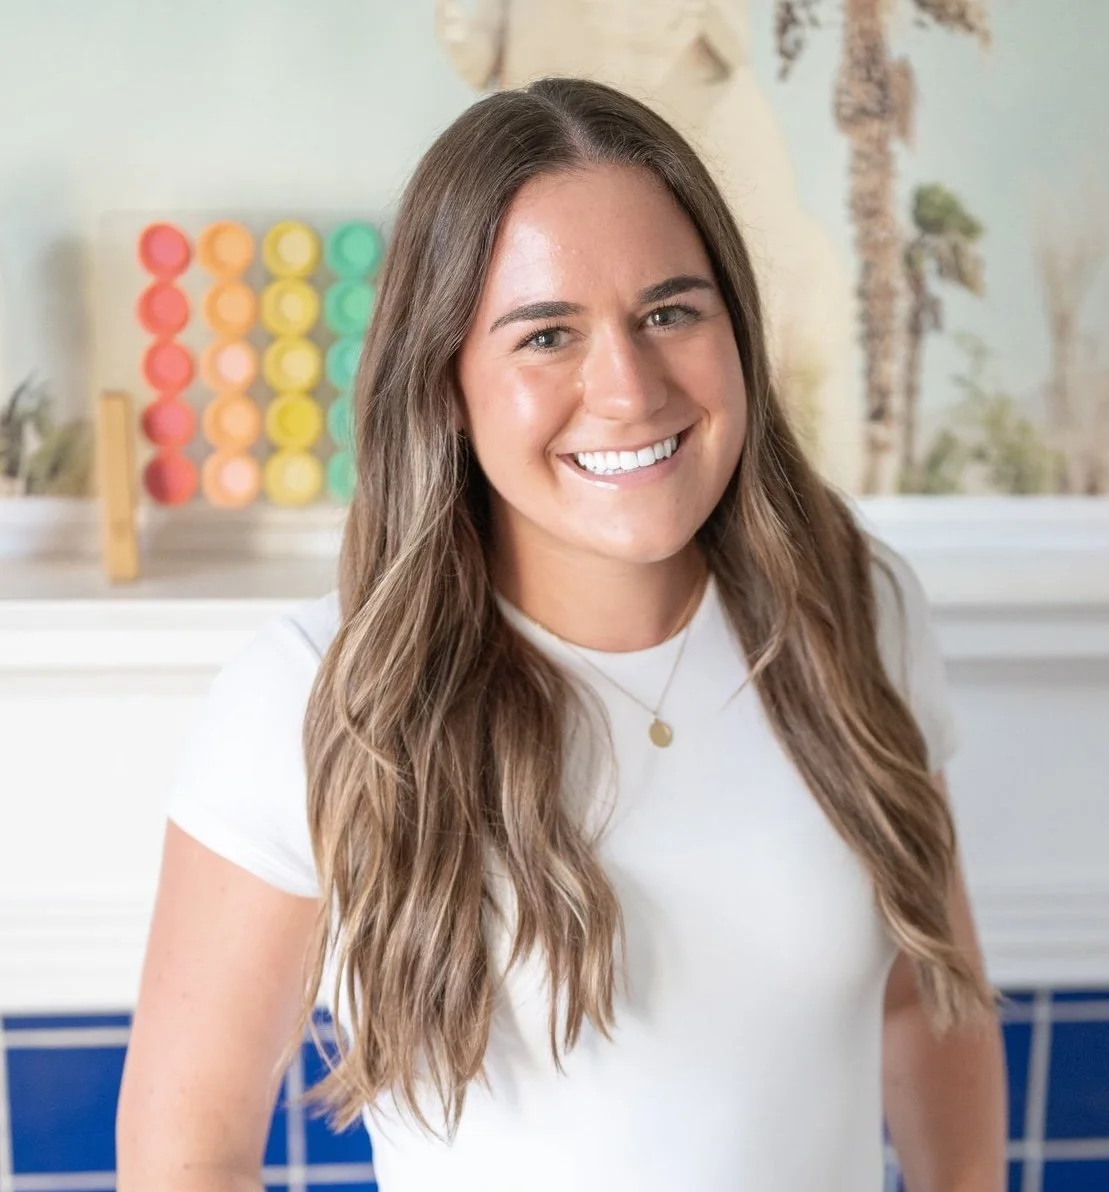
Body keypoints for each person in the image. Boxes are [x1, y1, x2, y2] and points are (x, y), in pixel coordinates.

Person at [116, 77, 1007, 1191]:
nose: (627, 390)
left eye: (670, 311)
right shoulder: (310, 696)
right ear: (445, 380)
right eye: (547, 334)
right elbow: (185, 1155)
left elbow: (922, 995)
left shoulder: (858, 610)